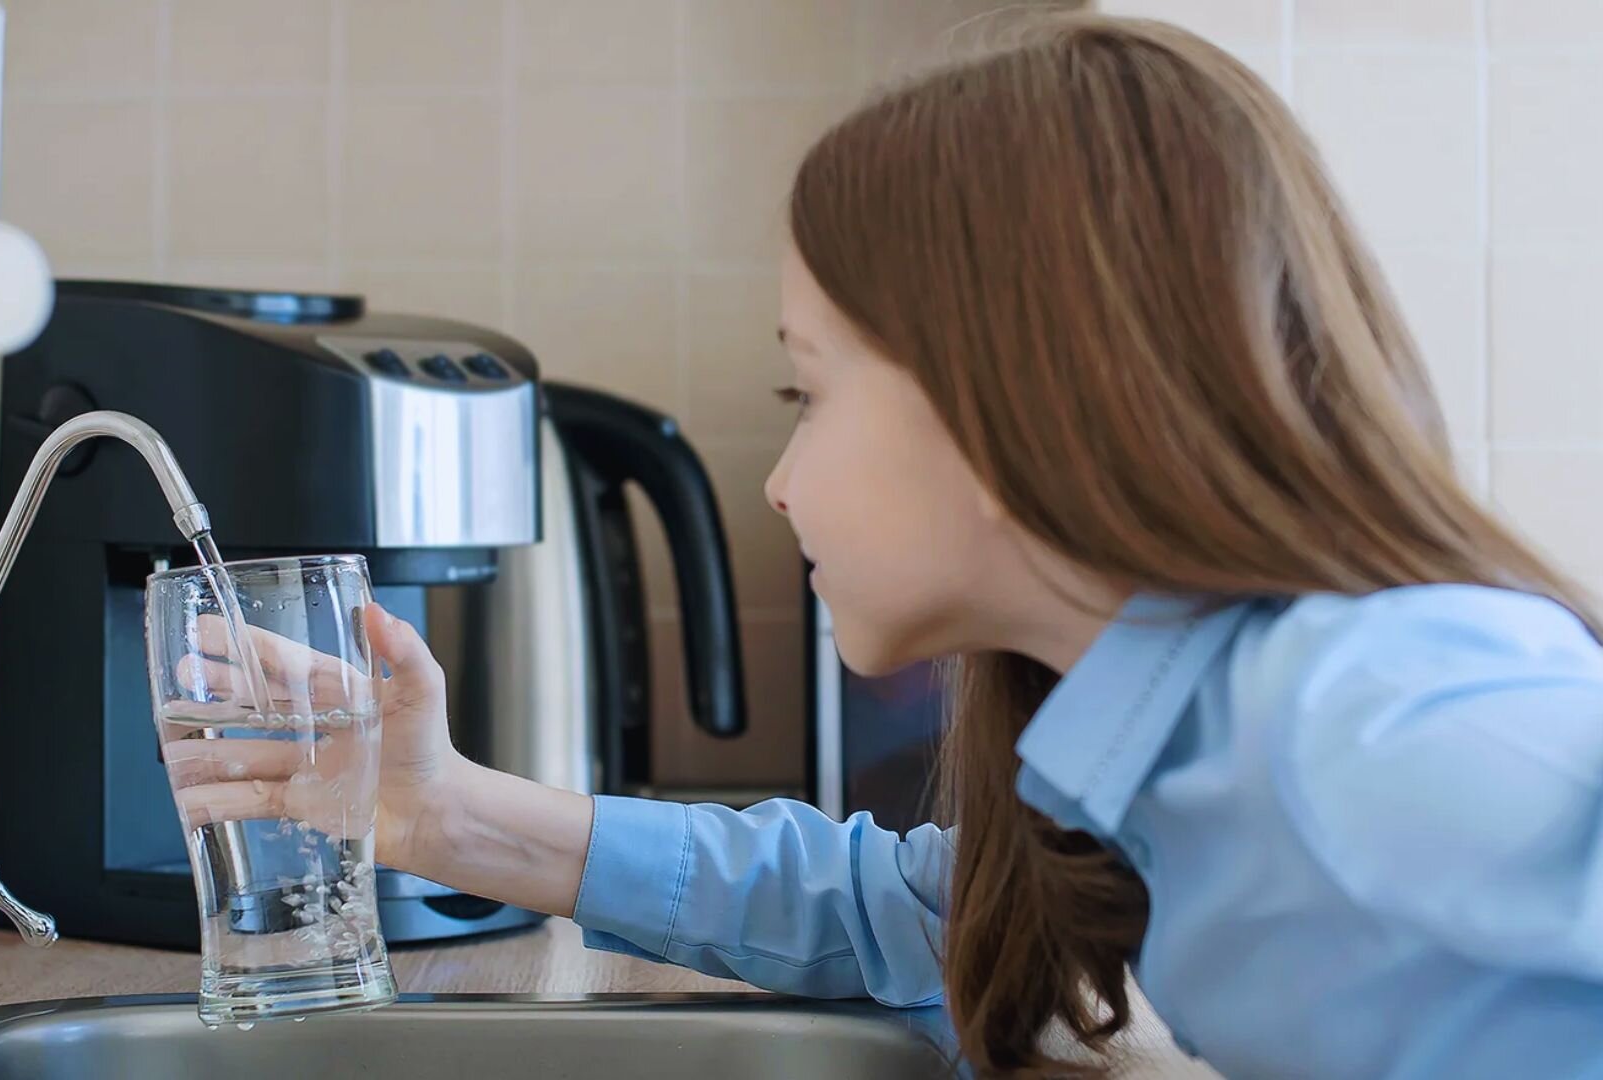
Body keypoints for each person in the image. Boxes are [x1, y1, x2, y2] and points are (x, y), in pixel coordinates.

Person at [171, 13, 1603, 1078]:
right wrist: (439, 813)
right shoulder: (1153, 741)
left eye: (810, 389)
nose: (781, 483)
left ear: (1012, 396)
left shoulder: (1374, 722)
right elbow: (908, 910)